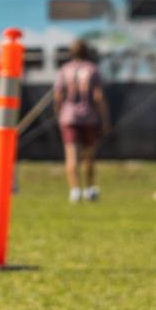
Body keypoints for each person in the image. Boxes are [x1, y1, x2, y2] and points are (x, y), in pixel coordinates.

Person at [54, 39, 110, 203]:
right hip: (89, 117)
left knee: (71, 155)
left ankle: (75, 190)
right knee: (89, 155)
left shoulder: (65, 69)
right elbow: (98, 96)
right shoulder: (92, 69)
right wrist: (105, 119)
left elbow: (58, 96)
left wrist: (59, 114)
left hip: (68, 116)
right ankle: (90, 188)